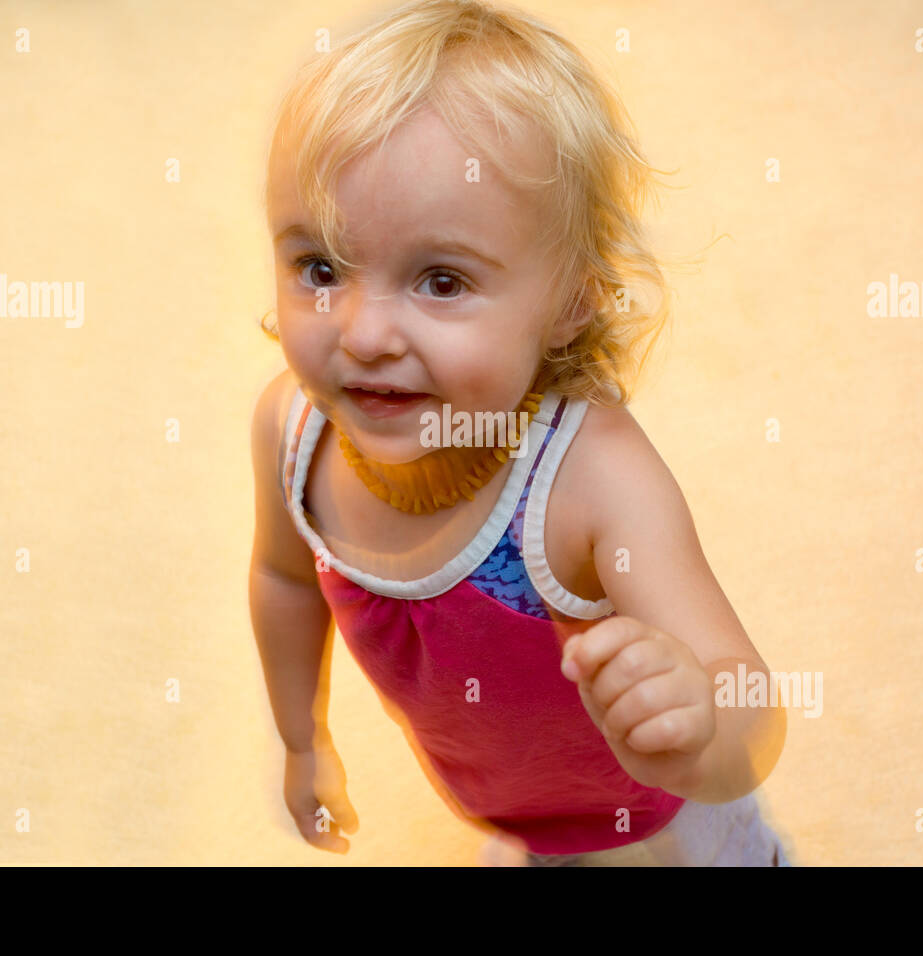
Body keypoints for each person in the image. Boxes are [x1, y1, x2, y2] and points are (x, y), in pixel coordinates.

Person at [250, 0, 792, 866]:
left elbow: (750, 707)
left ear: (575, 300)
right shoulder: (292, 428)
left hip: (662, 821)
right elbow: (284, 578)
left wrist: (703, 727)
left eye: (440, 280)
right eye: (320, 268)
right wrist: (301, 740)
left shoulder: (591, 478)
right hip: (511, 809)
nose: (362, 332)